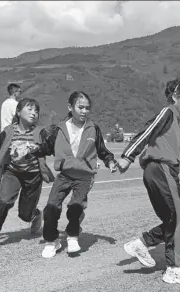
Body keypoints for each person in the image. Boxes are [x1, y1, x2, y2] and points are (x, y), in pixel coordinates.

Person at [117, 79, 180, 287]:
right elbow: (147, 132)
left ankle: (141, 243)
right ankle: (176, 269)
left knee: (176, 219)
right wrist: (128, 156)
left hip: (165, 172)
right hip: (160, 170)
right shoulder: (168, 113)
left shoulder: (178, 127)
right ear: (175, 97)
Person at [28, 91, 119, 258]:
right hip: (64, 175)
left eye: (87, 108)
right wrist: (35, 149)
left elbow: (102, 150)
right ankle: (52, 241)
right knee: (51, 208)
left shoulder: (93, 128)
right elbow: (47, 148)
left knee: (75, 207)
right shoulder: (59, 129)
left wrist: (110, 161)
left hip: (84, 176)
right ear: (70, 107)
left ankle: (72, 236)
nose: (84, 111)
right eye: (80, 107)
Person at [0, 98, 54, 250]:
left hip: (33, 177)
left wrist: (40, 146)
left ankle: (35, 215)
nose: (34, 113)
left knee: (25, 215)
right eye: (30, 109)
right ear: (18, 112)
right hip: (12, 173)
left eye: (36, 111)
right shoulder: (9, 131)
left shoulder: (41, 132)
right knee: (3, 201)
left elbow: (51, 147)